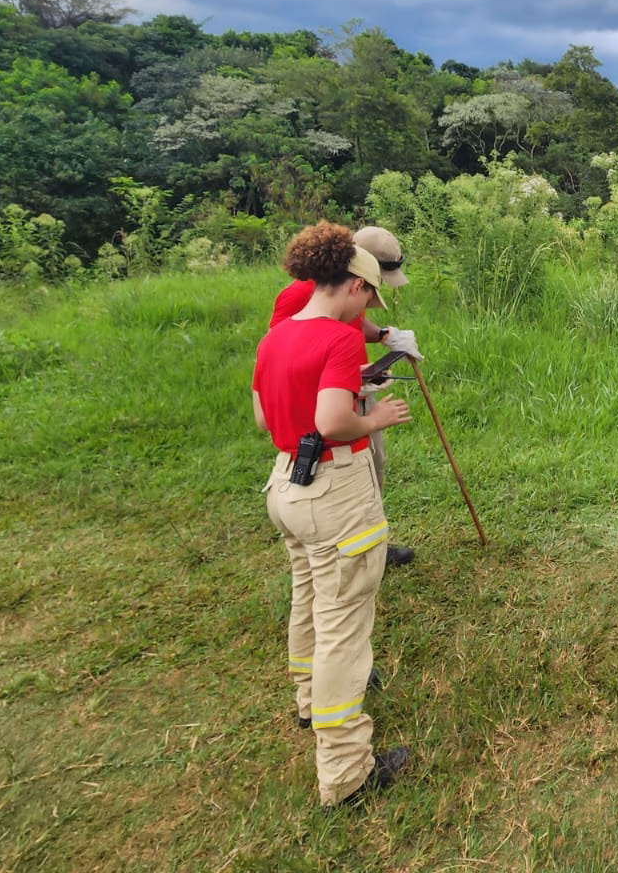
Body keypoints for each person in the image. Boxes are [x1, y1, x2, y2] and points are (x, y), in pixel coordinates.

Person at [253, 222, 414, 805]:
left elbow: (267, 420)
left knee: (309, 595)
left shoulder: (276, 336)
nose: (369, 306)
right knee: (344, 632)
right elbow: (332, 423)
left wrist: (343, 402)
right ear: (351, 285)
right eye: (368, 294)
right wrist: (376, 417)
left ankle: (306, 701)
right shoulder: (340, 340)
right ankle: (345, 772)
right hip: (334, 491)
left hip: (285, 483)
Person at [270, 225, 422, 568]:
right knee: (338, 478)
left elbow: (354, 323)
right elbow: (289, 354)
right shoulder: (300, 296)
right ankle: (347, 553)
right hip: (325, 410)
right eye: (375, 281)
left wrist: (385, 336)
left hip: (353, 389)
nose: (371, 296)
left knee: (371, 468)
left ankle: (371, 545)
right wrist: (344, 387)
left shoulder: (349, 293)